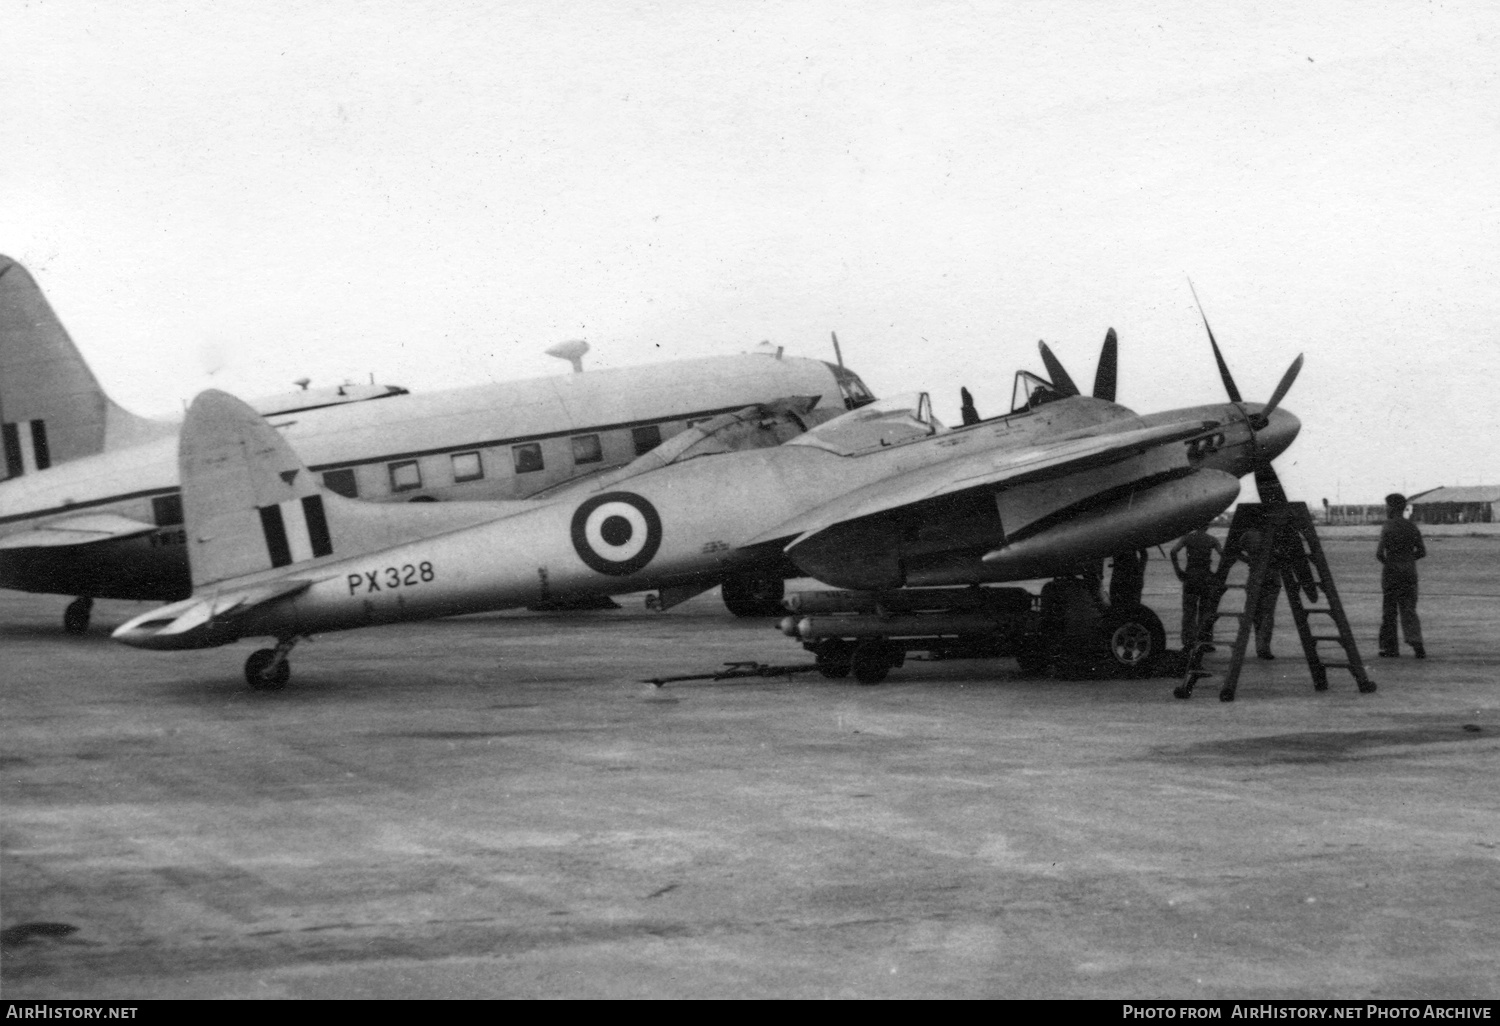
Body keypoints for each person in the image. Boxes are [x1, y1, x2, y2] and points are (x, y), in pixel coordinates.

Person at [1376, 492, 1426, 658]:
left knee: (1389, 612)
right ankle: (1417, 644)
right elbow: (1422, 551)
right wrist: (1408, 560)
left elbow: (1379, 554)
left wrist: (1391, 563)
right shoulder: (1412, 527)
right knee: (1409, 610)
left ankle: (1390, 648)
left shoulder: (1388, 526)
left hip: (1391, 573)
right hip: (1409, 572)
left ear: (1391, 507)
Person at [1170, 527, 1223, 650]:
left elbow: (1173, 551)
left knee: (1189, 611)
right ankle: (1205, 642)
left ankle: (1189, 642)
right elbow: (1223, 554)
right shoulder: (1212, 539)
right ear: (1207, 526)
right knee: (1206, 611)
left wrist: (1178, 570)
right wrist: (1217, 573)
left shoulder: (1187, 538)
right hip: (1206, 577)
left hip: (1191, 576)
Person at [1235, 527, 1282, 659]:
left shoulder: (1247, 535)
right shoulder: (1274, 533)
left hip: (1255, 576)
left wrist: (1250, 561)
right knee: (1267, 615)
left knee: (1255, 614)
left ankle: (1259, 647)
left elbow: (1236, 551)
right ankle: (1263, 648)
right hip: (1272, 577)